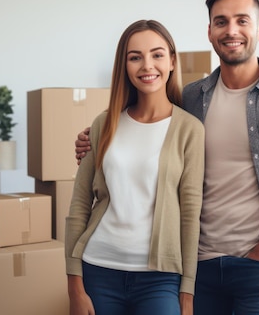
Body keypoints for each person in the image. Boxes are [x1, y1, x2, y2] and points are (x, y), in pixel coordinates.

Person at [75, 0, 259, 315]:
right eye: (221, 21)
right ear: (210, 31)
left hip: (257, 266)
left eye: (242, 20)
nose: (231, 30)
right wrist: (94, 138)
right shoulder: (193, 98)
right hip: (197, 264)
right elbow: (148, 124)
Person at [65, 19, 205, 315]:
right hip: (98, 269)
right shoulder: (104, 124)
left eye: (157, 54)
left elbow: (191, 214)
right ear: (124, 66)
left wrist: (188, 293)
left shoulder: (189, 129)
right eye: (135, 57)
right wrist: (74, 287)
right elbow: (79, 204)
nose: (146, 65)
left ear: (171, 62)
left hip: (160, 278)